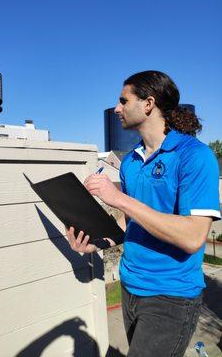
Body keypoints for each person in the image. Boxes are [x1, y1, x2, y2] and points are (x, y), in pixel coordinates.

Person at [66, 71, 221, 357]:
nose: (116, 109)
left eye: (123, 101)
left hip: (171, 296)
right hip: (130, 287)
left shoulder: (195, 156)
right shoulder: (131, 162)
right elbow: (131, 221)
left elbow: (192, 236)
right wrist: (98, 242)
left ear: (148, 103)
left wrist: (120, 199)